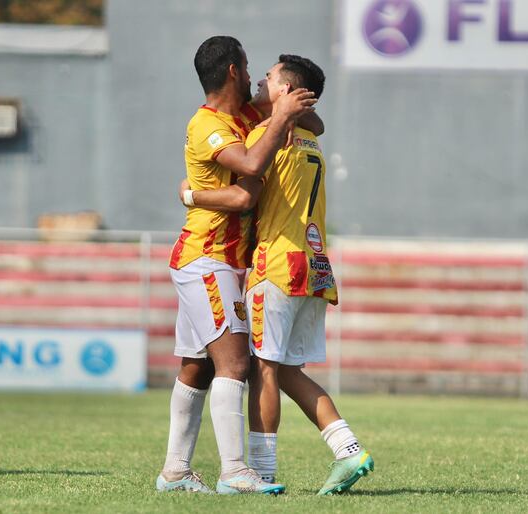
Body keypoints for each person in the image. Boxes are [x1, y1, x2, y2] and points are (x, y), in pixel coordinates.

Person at [180, 54, 374, 496]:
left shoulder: (269, 137)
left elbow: (244, 183)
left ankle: (262, 473)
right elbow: (314, 122)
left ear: (285, 92)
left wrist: (192, 194)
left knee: (263, 370)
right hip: (315, 265)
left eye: (268, 78)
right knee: (286, 371)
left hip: (278, 265)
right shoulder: (307, 136)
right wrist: (292, 110)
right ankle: (348, 450)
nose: (260, 82)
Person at [157, 36, 319, 495]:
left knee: (197, 366)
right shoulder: (207, 125)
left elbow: (317, 124)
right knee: (234, 362)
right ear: (233, 70)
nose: (254, 78)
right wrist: (281, 116)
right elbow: (247, 173)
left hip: (222, 260)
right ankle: (234, 471)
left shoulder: (249, 114)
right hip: (208, 258)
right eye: (249, 68)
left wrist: (286, 104)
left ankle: (174, 471)